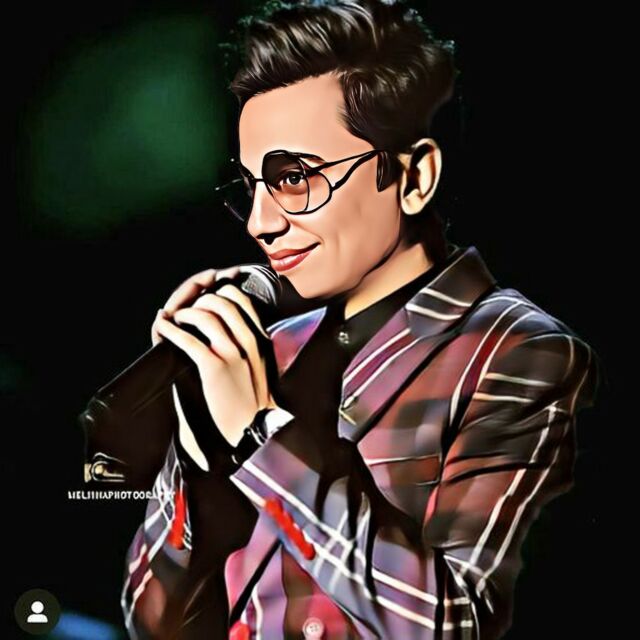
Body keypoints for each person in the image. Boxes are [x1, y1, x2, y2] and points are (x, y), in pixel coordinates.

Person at [113, 1, 601, 638]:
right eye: (252, 186)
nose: (259, 222)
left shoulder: (522, 352)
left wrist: (262, 439)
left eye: (295, 178)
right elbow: (150, 622)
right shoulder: (268, 351)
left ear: (414, 176)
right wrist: (202, 461)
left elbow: (456, 626)